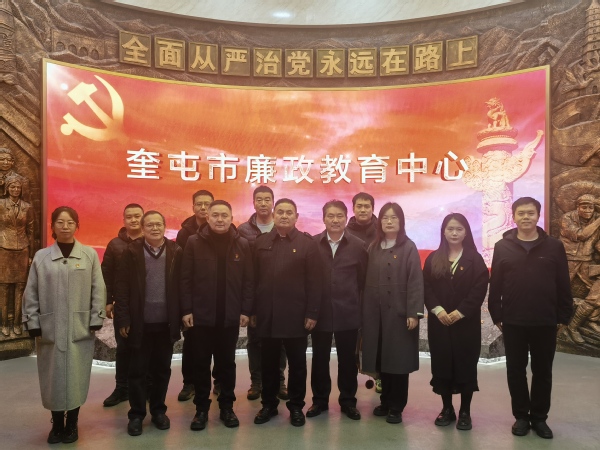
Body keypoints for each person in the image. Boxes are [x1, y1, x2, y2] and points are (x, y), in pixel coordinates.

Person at [489, 197, 573, 439]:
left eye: (531, 213)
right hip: (513, 320)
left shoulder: (554, 246)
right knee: (515, 370)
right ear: (514, 216)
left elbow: (563, 282)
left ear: (538, 215)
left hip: (545, 320)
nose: (526, 217)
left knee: (542, 371)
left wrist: (563, 315)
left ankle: (539, 417)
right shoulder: (502, 246)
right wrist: (497, 314)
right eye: (521, 213)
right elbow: (496, 284)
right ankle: (521, 417)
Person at [23, 206, 106, 444]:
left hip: (80, 327)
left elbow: (98, 288)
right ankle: (57, 424)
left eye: (70, 222)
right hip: (50, 328)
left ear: (77, 226)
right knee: (53, 377)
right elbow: (31, 291)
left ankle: (72, 424)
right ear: (53, 226)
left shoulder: (89, 255)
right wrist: (32, 320)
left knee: (76, 375)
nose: (65, 226)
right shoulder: (41, 257)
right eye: (60, 222)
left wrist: (96, 317)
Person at [181, 200, 254, 431]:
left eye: (224, 215)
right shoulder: (194, 242)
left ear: (232, 217)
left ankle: (227, 407)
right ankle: (201, 409)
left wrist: (245, 310)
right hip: (201, 317)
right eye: (215, 215)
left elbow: (248, 281)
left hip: (229, 317)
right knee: (201, 364)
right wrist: (186, 309)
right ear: (208, 217)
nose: (220, 219)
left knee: (226, 365)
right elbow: (185, 279)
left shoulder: (242, 243)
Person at [253, 198, 322, 427]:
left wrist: (312, 312)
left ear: (296, 217)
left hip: (296, 316)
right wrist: (251, 310)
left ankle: (296, 406)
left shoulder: (307, 244)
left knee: (297, 365)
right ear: (274, 215)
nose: (284, 216)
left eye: (289, 212)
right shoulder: (260, 242)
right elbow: (252, 279)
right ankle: (269, 405)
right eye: (280, 212)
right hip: (267, 315)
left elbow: (315, 282)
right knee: (269, 364)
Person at [114, 211, 182, 437]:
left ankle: (158, 411)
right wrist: (123, 318)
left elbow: (182, 286)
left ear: (165, 226)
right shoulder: (131, 252)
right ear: (143, 229)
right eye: (150, 225)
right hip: (139, 323)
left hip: (165, 323)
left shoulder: (176, 251)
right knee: (137, 371)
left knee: (162, 370)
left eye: (158, 224)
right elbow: (121, 287)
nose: (154, 228)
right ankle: (136, 415)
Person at [423, 213, 488, 431]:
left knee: (465, 365)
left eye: (459, 229)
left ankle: (465, 411)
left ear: (466, 232)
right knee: (442, 365)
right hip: (440, 322)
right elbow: (426, 287)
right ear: (443, 231)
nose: (454, 233)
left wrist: (461, 312)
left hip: (465, 324)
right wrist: (438, 310)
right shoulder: (433, 258)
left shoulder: (474, 259)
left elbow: (479, 288)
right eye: (450, 229)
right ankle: (447, 408)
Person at [361, 202, 424, 424]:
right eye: (385, 218)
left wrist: (413, 313)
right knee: (382, 359)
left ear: (401, 221)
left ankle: (397, 406)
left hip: (399, 314)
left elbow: (415, 281)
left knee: (398, 361)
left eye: (393, 217)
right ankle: (385, 401)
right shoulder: (373, 247)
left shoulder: (409, 247)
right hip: (375, 315)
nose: (389, 221)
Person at [308, 200, 367, 420]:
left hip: (348, 312)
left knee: (348, 360)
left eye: (339, 216)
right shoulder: (313, 244)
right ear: (323, 218)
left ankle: (348, 401)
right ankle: (319, 401)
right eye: (330, 216)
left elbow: (362, 280)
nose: (335, 220)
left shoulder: (358, 246)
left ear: (346, 217)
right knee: (319, 358)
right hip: (320, 313)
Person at [238, 185, 288, 401]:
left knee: (281, 340)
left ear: (273, 203)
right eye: (259, 199)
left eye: (267, 199)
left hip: (281, 296)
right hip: (255, 295)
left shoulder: (283, 228)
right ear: (253, 202)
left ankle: (280, 381)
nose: (263, 203)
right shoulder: (243, 230)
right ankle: (256, 382)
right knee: (255, 340)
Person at [101, 203, 144, 407]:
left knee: (146, 349)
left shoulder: (151, 241)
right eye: (129, 217)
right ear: (124, 220)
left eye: (137, 216)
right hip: (123, 306)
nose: (134, 220)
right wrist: (108, 301)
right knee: (123, 348)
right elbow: (106, 274)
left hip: (147, 306)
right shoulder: (115, 244)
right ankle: (122, 388)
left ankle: (146, 388)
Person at [175, 189, 215, 401]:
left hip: (216, 298)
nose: (203, 207)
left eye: (207, 204)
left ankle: (218, 381)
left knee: (219, 345)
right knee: (191, 344)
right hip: (194, 298)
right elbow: (183, 271)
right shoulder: (185, 234)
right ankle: (189, 383)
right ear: (193, 207)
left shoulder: (224, 230)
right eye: (199, 204)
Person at [559, 194, 600, 343]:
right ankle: (556, 326)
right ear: (577, 207)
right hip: (567, 260)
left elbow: (598, 244)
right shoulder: (567, 218)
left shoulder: (596, 217)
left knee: (597, 293)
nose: (588, 210)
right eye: (584, 207)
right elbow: (581, 235)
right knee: (557, 291)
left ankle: (589, 320)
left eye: (591, 207)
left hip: (587, 261)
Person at [0, 176, 34, 337]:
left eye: (18, 187)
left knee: (20, 287)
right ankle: (4, 324)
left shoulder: (27, 207)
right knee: (4, 287)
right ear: (7, 188)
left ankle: (17, 323)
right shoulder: (0, 204)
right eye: (12, 187)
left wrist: (31, 255)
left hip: (22, 249)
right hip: (4, 248)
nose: (15, 190)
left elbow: (31, 232)